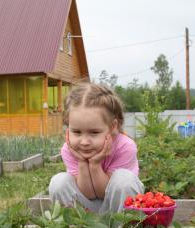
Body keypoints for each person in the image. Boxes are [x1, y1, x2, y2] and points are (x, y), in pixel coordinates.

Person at [48, 83, 144, 213]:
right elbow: (89, 194)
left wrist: (94, 164)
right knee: (59, 182)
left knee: (124, 179)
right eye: (76, 132)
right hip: (85, 211)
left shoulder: (125, 146)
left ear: (112, 127)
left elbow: (103, 193)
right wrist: (82, 162)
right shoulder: (69, 150)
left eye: (94, 133)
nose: (84, 142)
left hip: (117, 210)